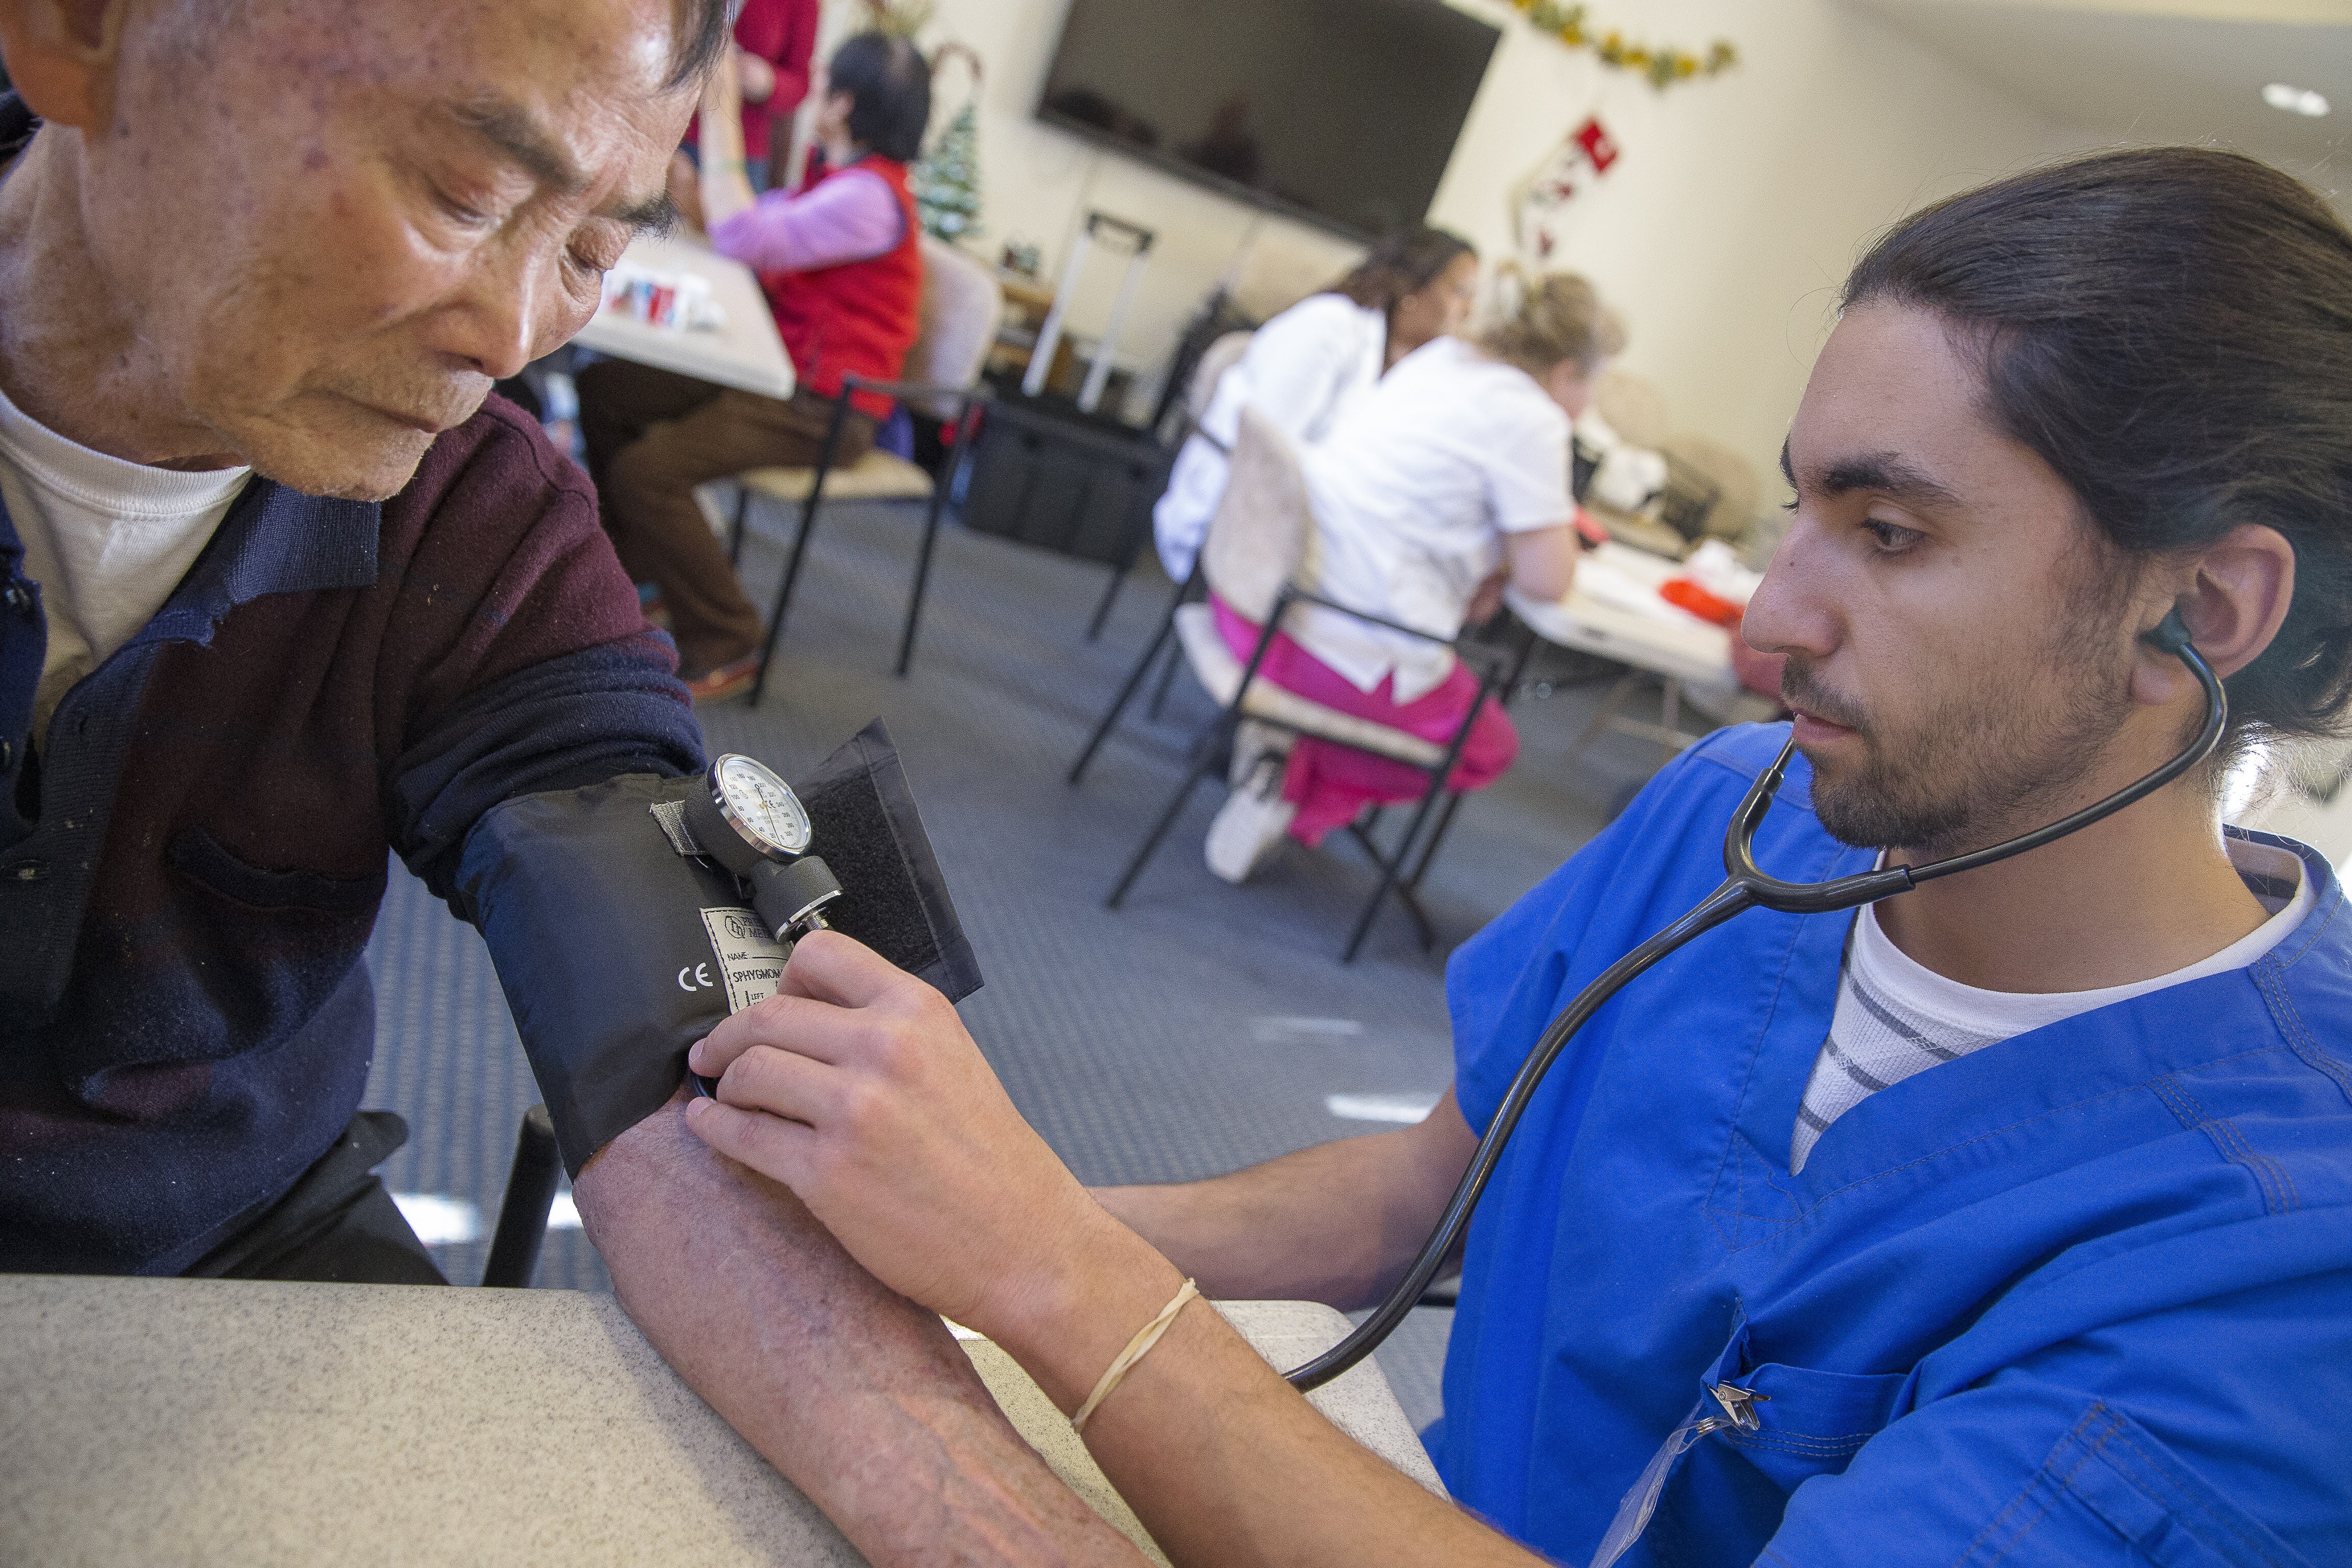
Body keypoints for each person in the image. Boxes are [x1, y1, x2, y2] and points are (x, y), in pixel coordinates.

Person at [679, 147, 2352, 1566]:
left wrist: (1048, 1266)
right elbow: (1421, 1190)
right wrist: (996, 1211)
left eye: (1891, 533)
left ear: (2193, 613)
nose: (1767, 621)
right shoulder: (1729, 811)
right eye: (1800, 515)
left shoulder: (2277, 1266)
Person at [0, 3, 1147, 1562]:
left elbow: (665, 1052)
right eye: (464, 200)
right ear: (83, 34)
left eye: (593, 254)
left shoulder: (474, 521)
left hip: (226, 1229)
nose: (514, 332)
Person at [1199, 273, 1610, 885]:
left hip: (1249, 601)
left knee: (1450, 676)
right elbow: (1548, 580)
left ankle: (1285, 765)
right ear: (1567, 372)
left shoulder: (1441, 359)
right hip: (1326, 648)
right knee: (1485, 745)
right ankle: (1294, 789)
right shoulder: (1533, 419)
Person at [578, 31, 930, 703]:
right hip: (773, 367)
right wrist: (704, 200)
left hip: (825, 406)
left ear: (844, 105)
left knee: (646, 475)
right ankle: (650, 566)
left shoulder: (871, 200)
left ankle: (728, 631)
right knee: (605, 388)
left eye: (825, 84)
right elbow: (755, 237)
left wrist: (718, 112)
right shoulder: (845, 181)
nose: (815, 91)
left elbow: (748, 238)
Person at [1153, 225, 1479, 583]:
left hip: (1308, 531)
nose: (1467, 312)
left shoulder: (1408, 368)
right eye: (1460, 292)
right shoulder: (1329, 327)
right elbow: (1266, 454)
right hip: (1234, 525)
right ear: (1413, 290)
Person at [685, 0, 819, 193]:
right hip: (679, 125)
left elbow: (801, 83)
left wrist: (769, 82)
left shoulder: (803, 4)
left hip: (743, 151)